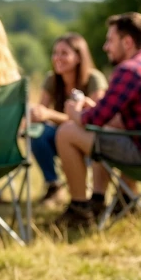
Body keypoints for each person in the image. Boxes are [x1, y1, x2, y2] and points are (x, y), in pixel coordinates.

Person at [54, 12, 141, 226]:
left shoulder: (129, 69)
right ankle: (99, 200)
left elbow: (92, 120)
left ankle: (79, 210)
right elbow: (111, 116)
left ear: (127, 42)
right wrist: (91, 111)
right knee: (104, 133)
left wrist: (74, 112)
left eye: (110, 40)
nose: (105, 47)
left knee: (66, 132)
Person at [28, 33, 107, 205]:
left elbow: (97, 119)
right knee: (37, 133)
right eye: (55, 53)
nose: (57, 58)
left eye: (64, 53)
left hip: (85, 137)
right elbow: (41, 112)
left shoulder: (94, 79)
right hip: (60, 136)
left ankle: (87, 196)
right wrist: (36, 114)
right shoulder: (52, 79)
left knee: (64, 131)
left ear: (79, 57)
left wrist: (51, 115)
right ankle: (53, 185)